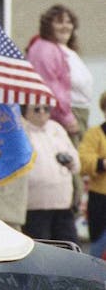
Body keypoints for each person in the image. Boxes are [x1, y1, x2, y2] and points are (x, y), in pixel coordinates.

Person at [26, 5, 93, 145]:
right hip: (62, 117)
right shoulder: (45, 49)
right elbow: (49, 87)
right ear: (48, 26)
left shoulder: (64, 50)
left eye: (69, 22)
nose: (65, 26)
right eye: (59, 22)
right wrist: (67, 117)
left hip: (77, 113)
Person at [22, 102, 80, 244]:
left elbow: (77, 163)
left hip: (63, 204)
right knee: (41, 251)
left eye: (46, 109)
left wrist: (71, 161)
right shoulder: (21, 130)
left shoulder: (57, 128)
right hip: (35, 206)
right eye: (36, 109)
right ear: (26, 112)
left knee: (69, 249)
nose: (42, 112)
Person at [78, 92, 106, 253]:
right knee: (97, 247)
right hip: (100, 199)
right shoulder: (94, 133)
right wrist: (102, 163)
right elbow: (83, 160)